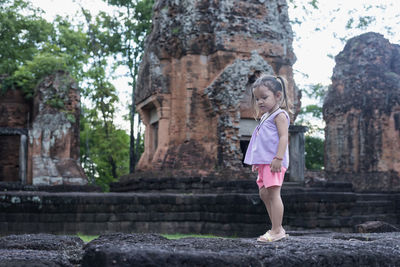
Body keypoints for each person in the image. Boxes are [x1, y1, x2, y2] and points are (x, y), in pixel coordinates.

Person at [244, 74, 291, 242]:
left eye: (264, 97)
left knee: (273, 193)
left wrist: (278, 158)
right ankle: (276, 227)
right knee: (264, 193)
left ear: (278, 96)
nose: (260, 102)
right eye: (257, 99)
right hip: (265, 163)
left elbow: (284, 137)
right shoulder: (265, 117)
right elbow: (262, 141)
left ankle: (277, 230)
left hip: (274, 162)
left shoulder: (280, 115)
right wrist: (257, 161)